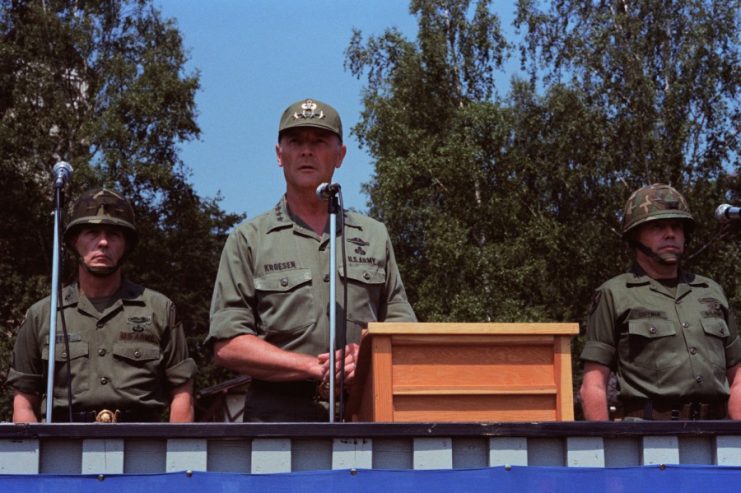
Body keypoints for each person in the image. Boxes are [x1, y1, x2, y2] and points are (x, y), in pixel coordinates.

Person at [207, 98, 417, 421]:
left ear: (340, 155)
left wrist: (367, 357)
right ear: (279, 155)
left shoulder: (375, 236)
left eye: (319, 142)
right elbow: (228, 343)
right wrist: (309, 367)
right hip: (277, 418)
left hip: (364, 413)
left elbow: (405, 329)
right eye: (295, 142)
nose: (307, 151)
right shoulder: (249, 239)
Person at [8, 188, 197, 423]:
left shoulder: (158, 309)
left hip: (143, 443)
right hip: (63, 445)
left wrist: (174, 456)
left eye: (114, 234)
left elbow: (182, 394)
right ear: (74, 241)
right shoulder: (44, 315)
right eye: (92, 232)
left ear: (126, 245)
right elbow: (24, 401)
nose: (103, 242)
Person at [580, 183, 741, 420]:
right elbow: (593, 385)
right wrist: (603, 449)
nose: (670, 234)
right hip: (646, 438)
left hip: (715, 435)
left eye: (677, 226)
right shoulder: (615, 294)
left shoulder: (711, 292)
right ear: (635, 236)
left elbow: (737, 376)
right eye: (658, 226)